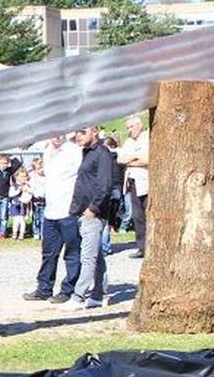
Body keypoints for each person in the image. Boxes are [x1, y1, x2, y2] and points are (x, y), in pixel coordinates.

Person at [23, 134, 82, 303]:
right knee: (48, 253)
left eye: (60, 132)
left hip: (68, 211)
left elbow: (82, 178)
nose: (56, 136)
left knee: (71, 254)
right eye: (53, 133)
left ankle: (68, 289)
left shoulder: (74, 152)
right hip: (50, 211)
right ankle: (44, 288)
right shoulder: (47, 150)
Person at [61, 126, 113, 311]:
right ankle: (100, 294)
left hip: (94, 213)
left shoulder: (102, 153)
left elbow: (105, 184)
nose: (78, 136)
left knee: (88, 257)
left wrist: (93, 208)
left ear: (95, 131)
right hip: (83, 210)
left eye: (83, 131)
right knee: (97, 255)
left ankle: (78, 296)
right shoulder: (87, 152)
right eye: (77, 132)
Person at [118, 115, 149, 259]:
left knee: (149, 214)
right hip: (133, 182)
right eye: (128, 128)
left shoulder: (147, 138)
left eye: (132, 126)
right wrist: (135, 158)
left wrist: (131, 160)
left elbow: (148, 159)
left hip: (147, 181)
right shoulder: (129, 141)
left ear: (140, 125)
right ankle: (142, 247)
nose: (130, 130)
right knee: (137, 216)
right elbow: (121, 158)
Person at [0, 155, 21, 239]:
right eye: (1, 163)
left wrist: (11, 157)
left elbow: (18, 163)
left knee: (3, 216)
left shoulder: (9, 171)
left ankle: (2, 232)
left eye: (5, 163)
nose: (3, 165)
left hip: (4, 197)